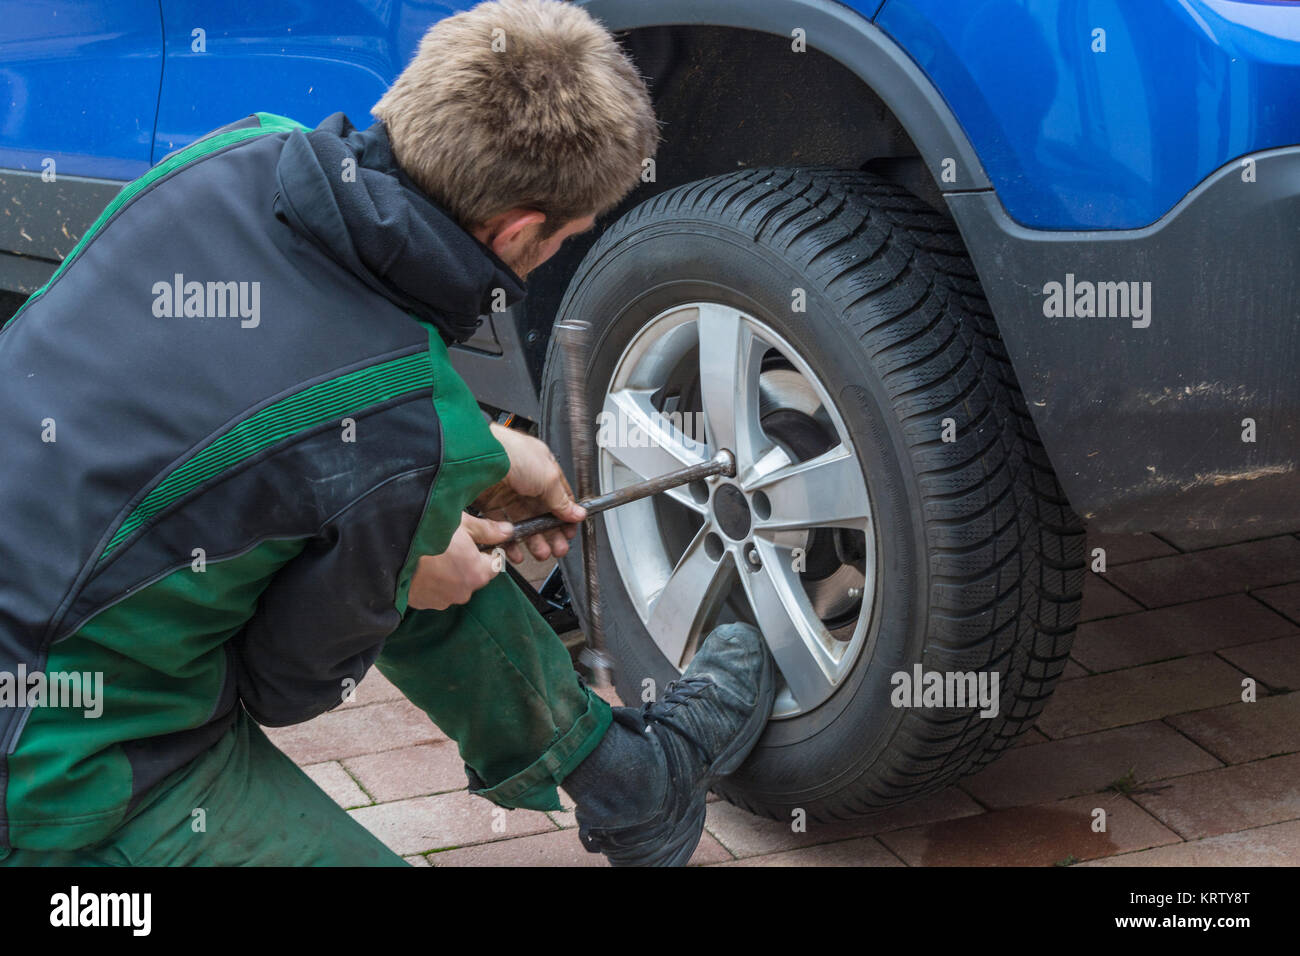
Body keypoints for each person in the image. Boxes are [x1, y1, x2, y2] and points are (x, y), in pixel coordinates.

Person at [0, 0, 774, 867]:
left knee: (396, 517)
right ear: (518, 231)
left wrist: (456, 469)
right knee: (400, 531)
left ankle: (628, 783)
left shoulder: (238, 150)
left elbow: (277, 408)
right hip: (61, 771)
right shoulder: (398, 427)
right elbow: (284, 685)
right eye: (568, 236)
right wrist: (405, 576)